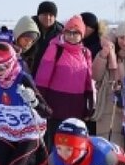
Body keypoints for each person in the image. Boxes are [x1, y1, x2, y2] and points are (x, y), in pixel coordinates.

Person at [34, 15, 95, 148]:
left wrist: (89, 102)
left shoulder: (85, 53)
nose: (72, 36)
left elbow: (88, 81)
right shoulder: (55, 49)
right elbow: (43, 77)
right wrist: (40, 102)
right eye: (68, 32)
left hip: (76, 106)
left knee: (73, 144)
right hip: (56, 106)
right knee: (56, 144)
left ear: (82, 35)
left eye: (76, 33)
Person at [28, 1, 63, 74]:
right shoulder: (28, 28)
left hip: (49, 74)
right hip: (28, 71)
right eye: (44, 14)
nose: (48, 18)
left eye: (51, 15)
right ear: (38, 15)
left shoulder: (60, 33)